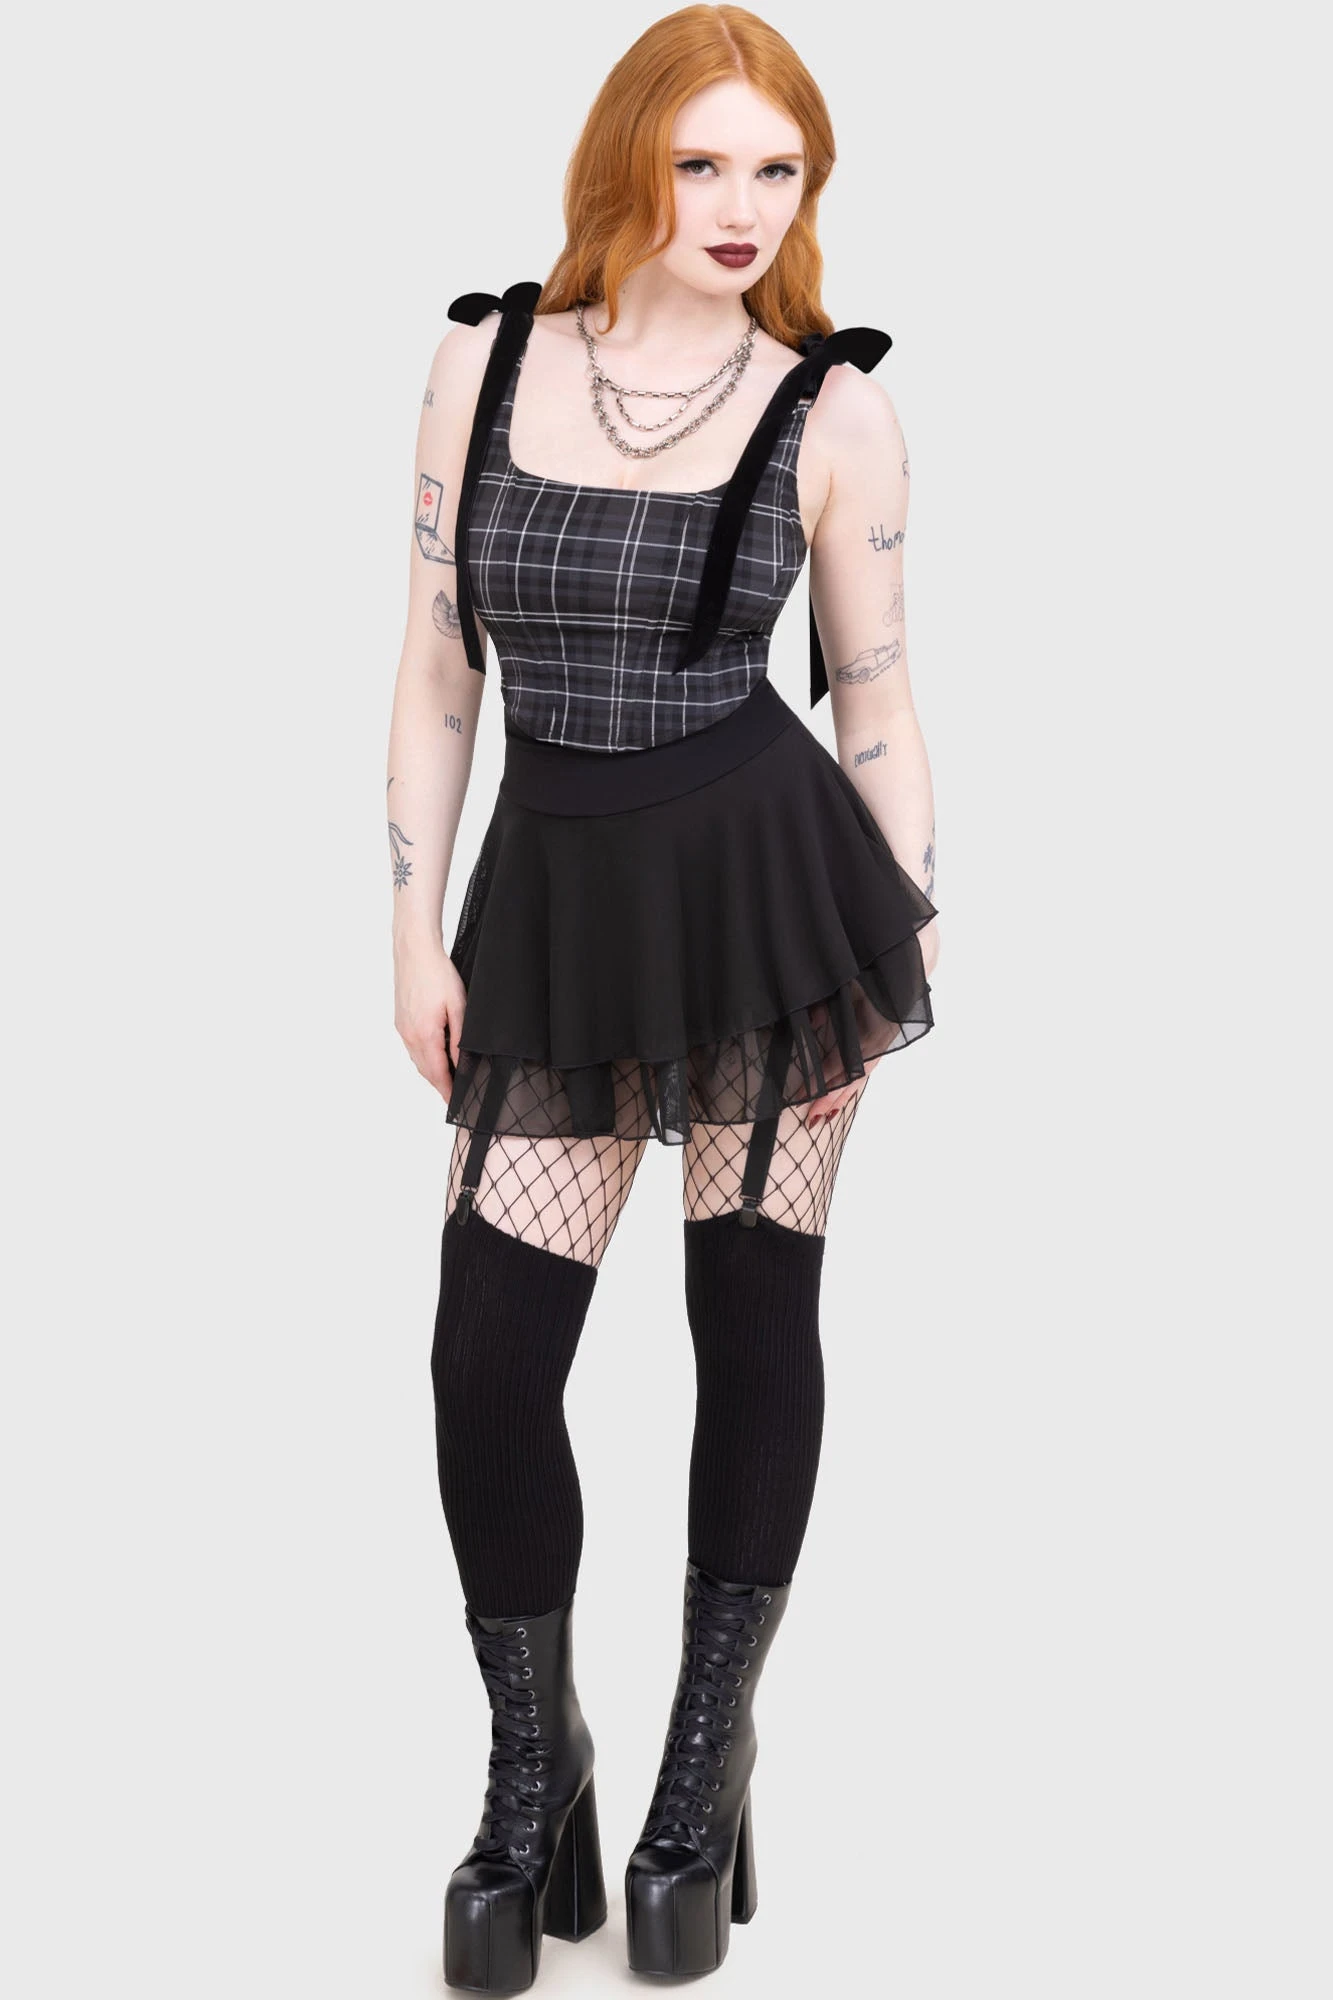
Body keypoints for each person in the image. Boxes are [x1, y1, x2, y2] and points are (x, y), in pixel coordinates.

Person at [386, 6, 940, 1988]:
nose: (740, 204)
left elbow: (874, 700)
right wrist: (412, 929)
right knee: (486, 1357)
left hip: (770, 901)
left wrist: (903, 934)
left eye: (778, 170)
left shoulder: (832, 410)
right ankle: (535, 1763)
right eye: (703, 161)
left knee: (749, 1317)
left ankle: (705, 1768)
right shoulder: (484, 359)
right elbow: (435, 669)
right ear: (627, 157)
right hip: (550, 901)